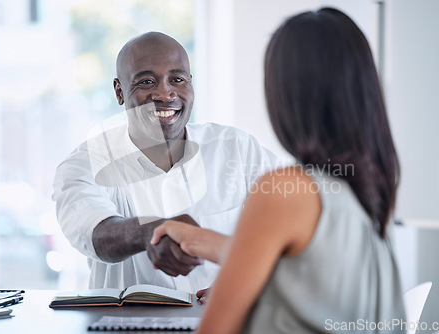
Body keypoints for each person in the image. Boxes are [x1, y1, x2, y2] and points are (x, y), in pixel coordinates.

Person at [151, 8, 406, 333]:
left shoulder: (285, 190)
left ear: (285, 93)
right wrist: (202, 240)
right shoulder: (370, 191)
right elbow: (310, 265)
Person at [52, 32, 279, 294]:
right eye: (147, 81)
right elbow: (96, 234)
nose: (164, 93)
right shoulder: (86, 163)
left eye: (177, 79)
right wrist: (149, 233)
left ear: (191, 84)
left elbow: (289, 230)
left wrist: (242, 281)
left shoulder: (239, 150)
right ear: (119, 91)